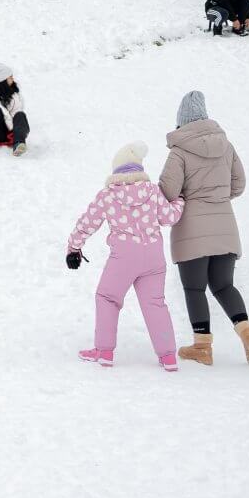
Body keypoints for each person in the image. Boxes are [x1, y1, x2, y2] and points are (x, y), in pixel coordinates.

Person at [160, 91, 249, 366]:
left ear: (182, 120)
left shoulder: (180, 151)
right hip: (225, 227)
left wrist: (186, 198)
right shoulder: (226, 146)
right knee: (224, 285)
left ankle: (202, 347)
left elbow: (168, 191)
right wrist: (218, 197)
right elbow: (238, 184)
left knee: (195, 289)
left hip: (192, 231)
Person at [67, 142, 185, 371]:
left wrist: (74, 247)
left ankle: (104, 351)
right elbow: (169, 217)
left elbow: (87, 223)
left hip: (124, 258)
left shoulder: (108, 195)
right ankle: (168, 356)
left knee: (107, 298)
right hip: (153, 257)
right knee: (155, 303)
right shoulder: (152, 191)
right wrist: (179, 200)